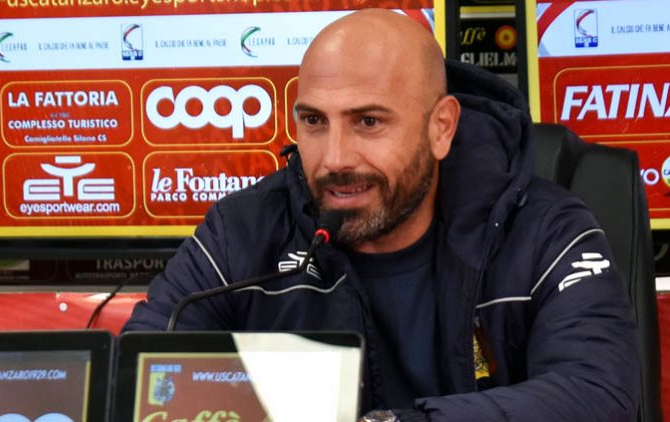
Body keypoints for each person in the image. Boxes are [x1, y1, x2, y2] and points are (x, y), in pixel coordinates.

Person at [125, 9, 638, 421]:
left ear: (441, 128)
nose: (334, 158)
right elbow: (140, 377)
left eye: (368, 122)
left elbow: (597, 393)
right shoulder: (241, 233)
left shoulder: (547, 231)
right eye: (314, 121)